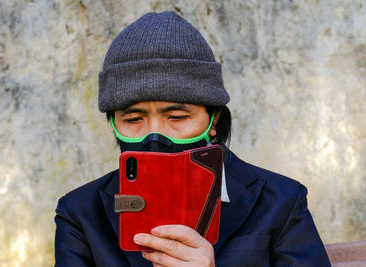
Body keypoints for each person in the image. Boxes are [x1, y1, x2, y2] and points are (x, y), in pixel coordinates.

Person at [54, 11, 331, 266]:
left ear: (214, 121)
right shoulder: (81, 212)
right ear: (113, 123)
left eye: (176, 117)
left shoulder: (279, 201)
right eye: (134, 119)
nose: (155, 136)